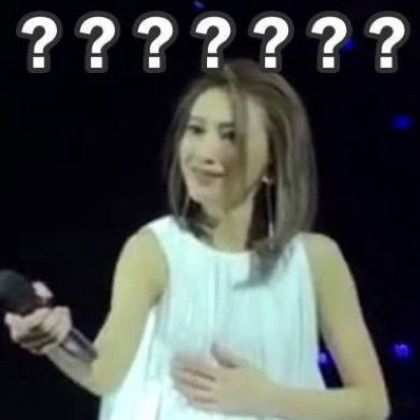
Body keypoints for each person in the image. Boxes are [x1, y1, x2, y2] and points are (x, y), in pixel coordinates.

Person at [4, 58, 390, 419]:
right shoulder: (153, 250)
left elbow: (373, 404)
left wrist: (267, 397)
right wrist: (56, 339)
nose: (205, 152)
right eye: (196, 129)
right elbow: (103, 372)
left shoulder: (317, 260)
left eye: (230, 136)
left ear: (273, 162)